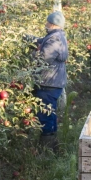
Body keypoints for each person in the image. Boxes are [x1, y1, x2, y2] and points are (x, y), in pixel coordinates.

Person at [33, 10, 69, 151]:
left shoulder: (54, 39)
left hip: (48, 83)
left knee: (45, 114)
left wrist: (32, 53)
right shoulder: (56, 36)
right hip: (53, 83)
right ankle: (53, 145)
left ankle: (47, 148)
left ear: (53, 24)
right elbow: (41, 41)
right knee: (50, 113)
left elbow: (43, 58)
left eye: (48, 22)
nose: (45, 24)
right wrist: (28, 39)